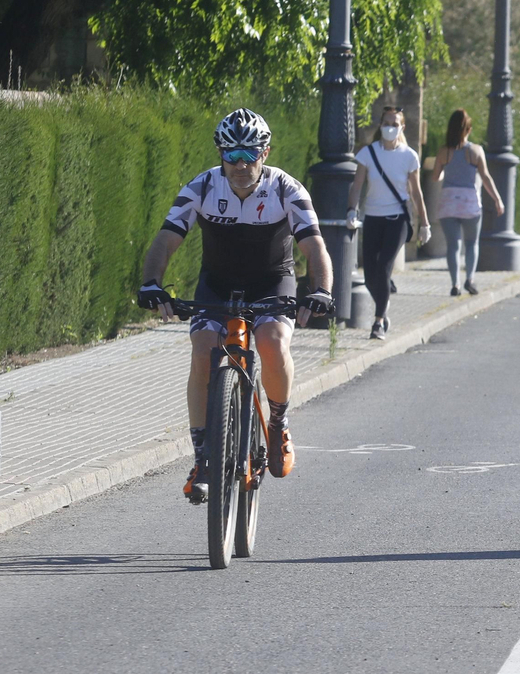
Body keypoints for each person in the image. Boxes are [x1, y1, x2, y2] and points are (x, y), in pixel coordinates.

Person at [137, 108, 334, 501]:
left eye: (250, 155)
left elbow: (315, 247)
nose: (241, 165)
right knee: (202, 349)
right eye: (232, 155)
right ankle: (202, 457)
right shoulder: (202, 187)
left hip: (271, 282)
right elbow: (166, 239)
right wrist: (151, 284)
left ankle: (277, 423)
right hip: (218, 283)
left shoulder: (286, 189)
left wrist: (321, 290)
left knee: (272, 342)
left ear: (265, 153)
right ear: (220, 154)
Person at [348, 107, 431, 340]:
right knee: (369, 275)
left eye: (395, 124)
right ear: (380, 125)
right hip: (373, 217)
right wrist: (351, 210)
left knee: (384, 267)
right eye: (386, 123)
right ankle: (383, 306)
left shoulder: (409, 156)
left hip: (398, 219)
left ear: (402, 127)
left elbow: (416, 193)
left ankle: (378, 322)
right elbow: (357, 185)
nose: (390, 128)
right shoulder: (368, 153)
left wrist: (425, 223)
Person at [432, 108, 504, 296]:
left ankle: (455, 284)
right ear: (469, 130)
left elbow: (435, 177)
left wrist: (446, 171)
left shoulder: (443, 152)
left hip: (448, 202)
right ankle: (470, 279)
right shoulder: (476, 151)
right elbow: (486, 177)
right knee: (472, 243)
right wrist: (497, 199)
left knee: (453, 246)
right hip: (470, 202)